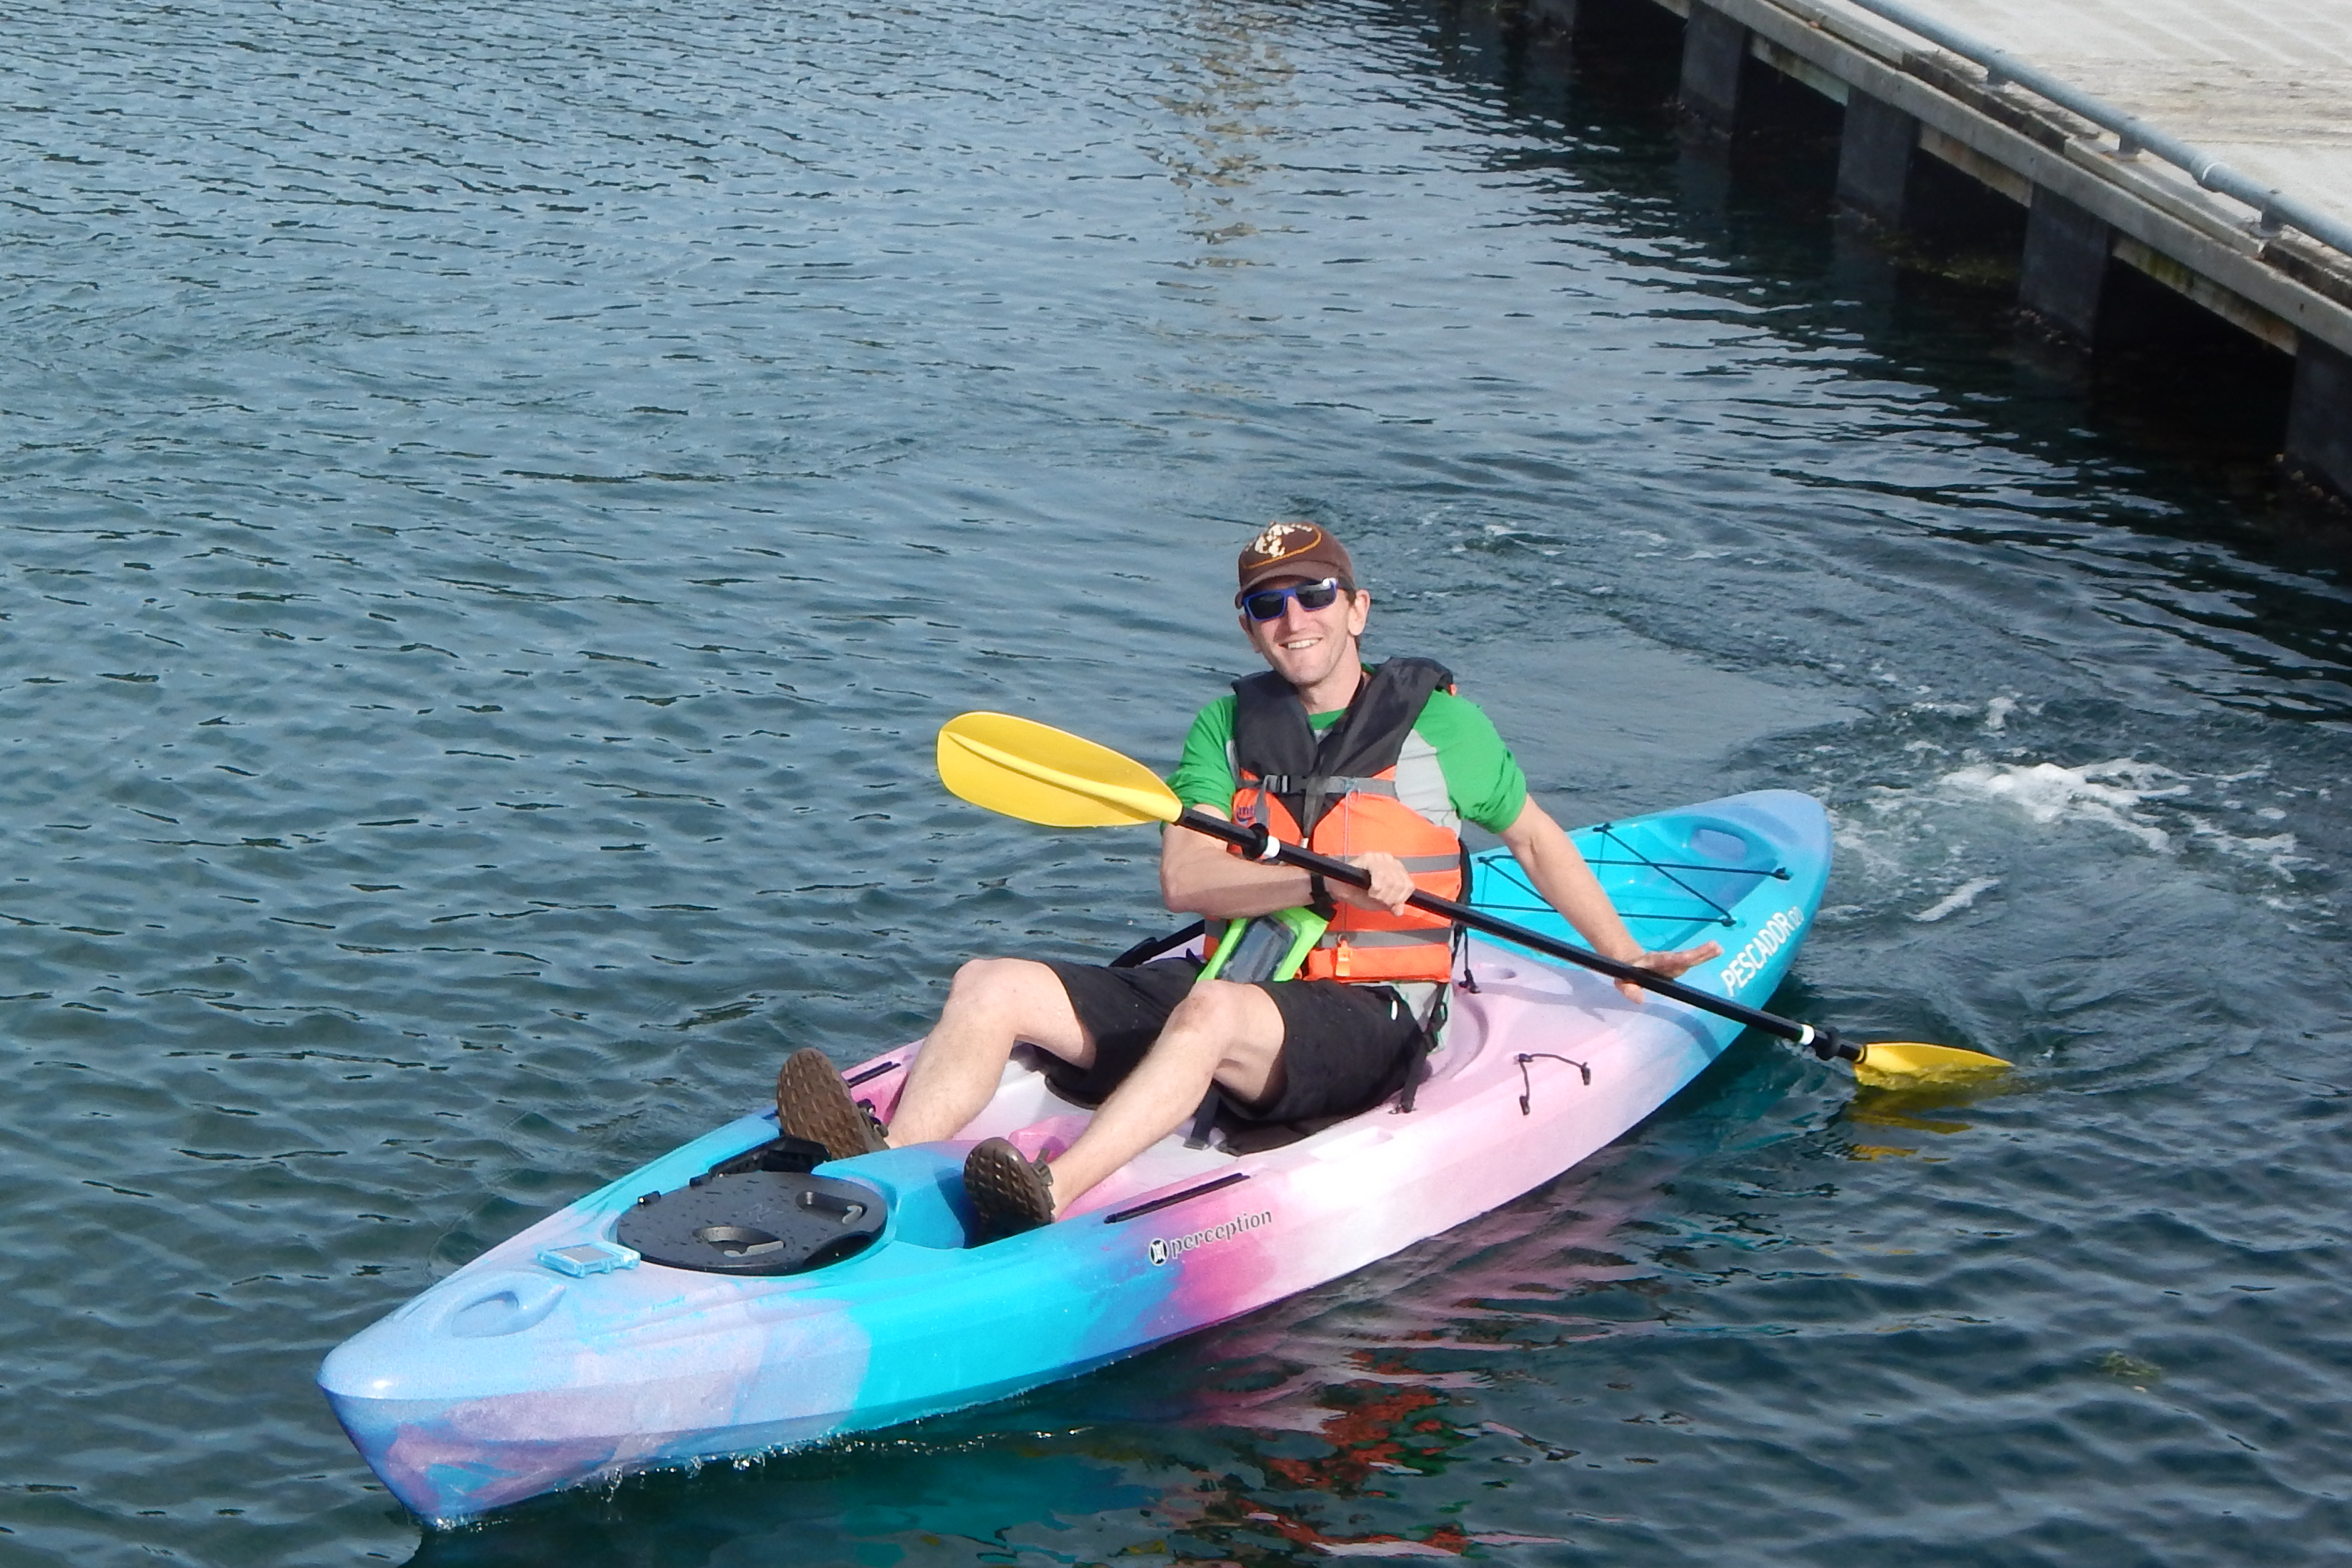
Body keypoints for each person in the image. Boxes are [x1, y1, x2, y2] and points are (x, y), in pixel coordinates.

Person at [774, 521, 1722, 1237]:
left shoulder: (1442, 728)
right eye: (1267, 605)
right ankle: (881, 1177)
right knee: (990, 983)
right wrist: (1323, 884)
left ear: (1357, 608)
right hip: (1238, 974)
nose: (1292, 619)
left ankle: (1053, 1198)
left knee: (1210, 1015)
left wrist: (1624, 957)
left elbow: (1539, 839)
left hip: (1371, 1013)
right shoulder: (1225, 730)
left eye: (1312, 596)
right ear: (1248, 625)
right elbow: (1186, 881)